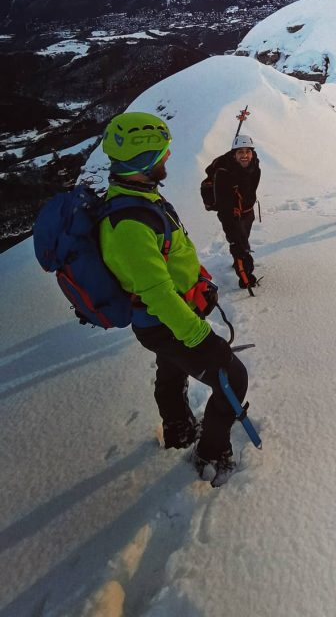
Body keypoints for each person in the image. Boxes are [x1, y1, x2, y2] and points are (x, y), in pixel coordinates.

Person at [99, 111, 249, 487]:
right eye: (162, 154)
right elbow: (157, 296)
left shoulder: (140, 197)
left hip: (169, 316)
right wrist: (203, 338)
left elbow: (170, 250)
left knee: (171, 367)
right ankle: (211, 452)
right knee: (233, 376)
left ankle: (179, 429)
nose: (168, 158)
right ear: (144, 160)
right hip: (163, 321)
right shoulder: (130, 223)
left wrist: (198, 277)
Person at [207, 133, 261, 289]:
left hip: (247, 211)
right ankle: (245, 278)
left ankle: (239, 259)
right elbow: (224, 206)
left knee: (244, 237)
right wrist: (236, 238)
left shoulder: (255, 167)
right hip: (231, 215)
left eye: (247, 151)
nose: (244, 155)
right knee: (239, 245)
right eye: (240, 152)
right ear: (234, 154)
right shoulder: (224, 174)